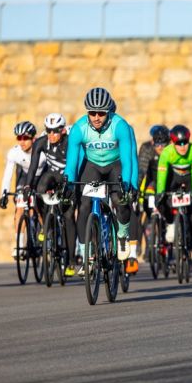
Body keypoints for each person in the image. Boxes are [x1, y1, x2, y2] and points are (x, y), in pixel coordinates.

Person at [65, 88, 139, 273]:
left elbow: (129, 159)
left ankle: (122, 234)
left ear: (109, 112)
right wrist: (68, 182)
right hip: (93, 166)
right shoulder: (78, 128)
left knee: (119, 199)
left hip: (116, 165)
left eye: (101, 113)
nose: (96, 117)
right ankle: (86, 254)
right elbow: (72, 161)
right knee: (84, 206)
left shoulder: (120, 125)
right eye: (92, 113)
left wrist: (130, 183)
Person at [22, 113, 77, 277]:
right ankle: (46, 223)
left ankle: (71, 261)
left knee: (68, 217)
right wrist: (27, 186)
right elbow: (32, 168)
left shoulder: (70, 142)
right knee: (39, 187)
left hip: (69, 177)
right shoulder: (41, 142)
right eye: (49, 131)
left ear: (63, 131)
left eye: (56, 131)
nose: (52, 135)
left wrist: (70, 187)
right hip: (53, 175)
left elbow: (76, 164)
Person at [156, 124, 192, 271]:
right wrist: (160, 192)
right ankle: (171, 224)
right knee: (162, 200)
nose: (182, 147)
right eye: (178, 143)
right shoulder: (166, 153)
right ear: (172, 142)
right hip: (174, 179)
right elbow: (162, 176)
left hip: (189, 179)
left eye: (185, 143)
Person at [0, 121, 45, 259]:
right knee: (19, 206)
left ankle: (45, 230)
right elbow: (8, 174)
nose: (22, 142)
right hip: (24, 178)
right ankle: (19, 245)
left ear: (33, 138)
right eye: (19, 138)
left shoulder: (41, 151)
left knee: (38, 205)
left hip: (41, 176)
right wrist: (4, 193)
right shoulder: (14, 152)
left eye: (26, 138)